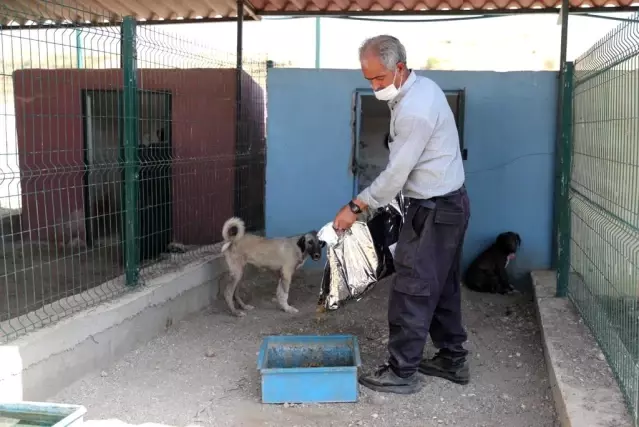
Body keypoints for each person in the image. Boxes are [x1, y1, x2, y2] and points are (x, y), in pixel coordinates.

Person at [332, 35, 471, 395]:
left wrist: (356, 206)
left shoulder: (415, 109)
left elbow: (396, 175)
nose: (375, 86)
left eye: (379, 78)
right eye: (369, 81)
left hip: (436, 209)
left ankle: (402, 371)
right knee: (442, 286)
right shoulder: (420, 90)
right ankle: (452, 359)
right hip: (448, 205)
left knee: (413, 286)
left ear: (399, 67)